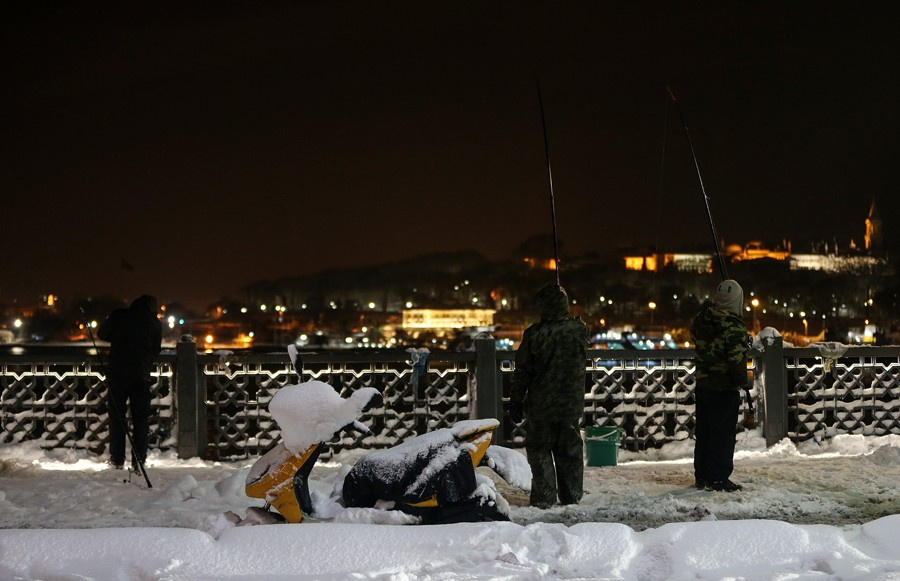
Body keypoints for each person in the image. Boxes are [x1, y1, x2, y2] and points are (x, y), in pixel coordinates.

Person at [509, 283, 589, 508]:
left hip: (542, 404)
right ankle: (571, 494)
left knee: (540, 449)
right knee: (570, 450)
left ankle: (544, 497)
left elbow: (522, 371)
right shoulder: (579, 330)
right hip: (571, 403)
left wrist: (516, 400)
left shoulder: (535, 334)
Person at [690, 279, 750, 492]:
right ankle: (718, 477)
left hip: (703, 384)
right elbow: (736, 362)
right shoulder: (734, 327)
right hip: (724, 388)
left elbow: (695, 336)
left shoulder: (702, 319)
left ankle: (702, 475)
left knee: (704, 432)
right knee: (722, 434)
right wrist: (743, 382)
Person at [98, 294, 163, 471]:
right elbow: (156, 349)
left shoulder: (119, 315)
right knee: (140, 420)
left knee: (117, 418)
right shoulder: (154, 323)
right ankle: (138, 460)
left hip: (117, 374)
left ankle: (117, 459)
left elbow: (102, 333)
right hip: (141, 377)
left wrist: (121, 337)